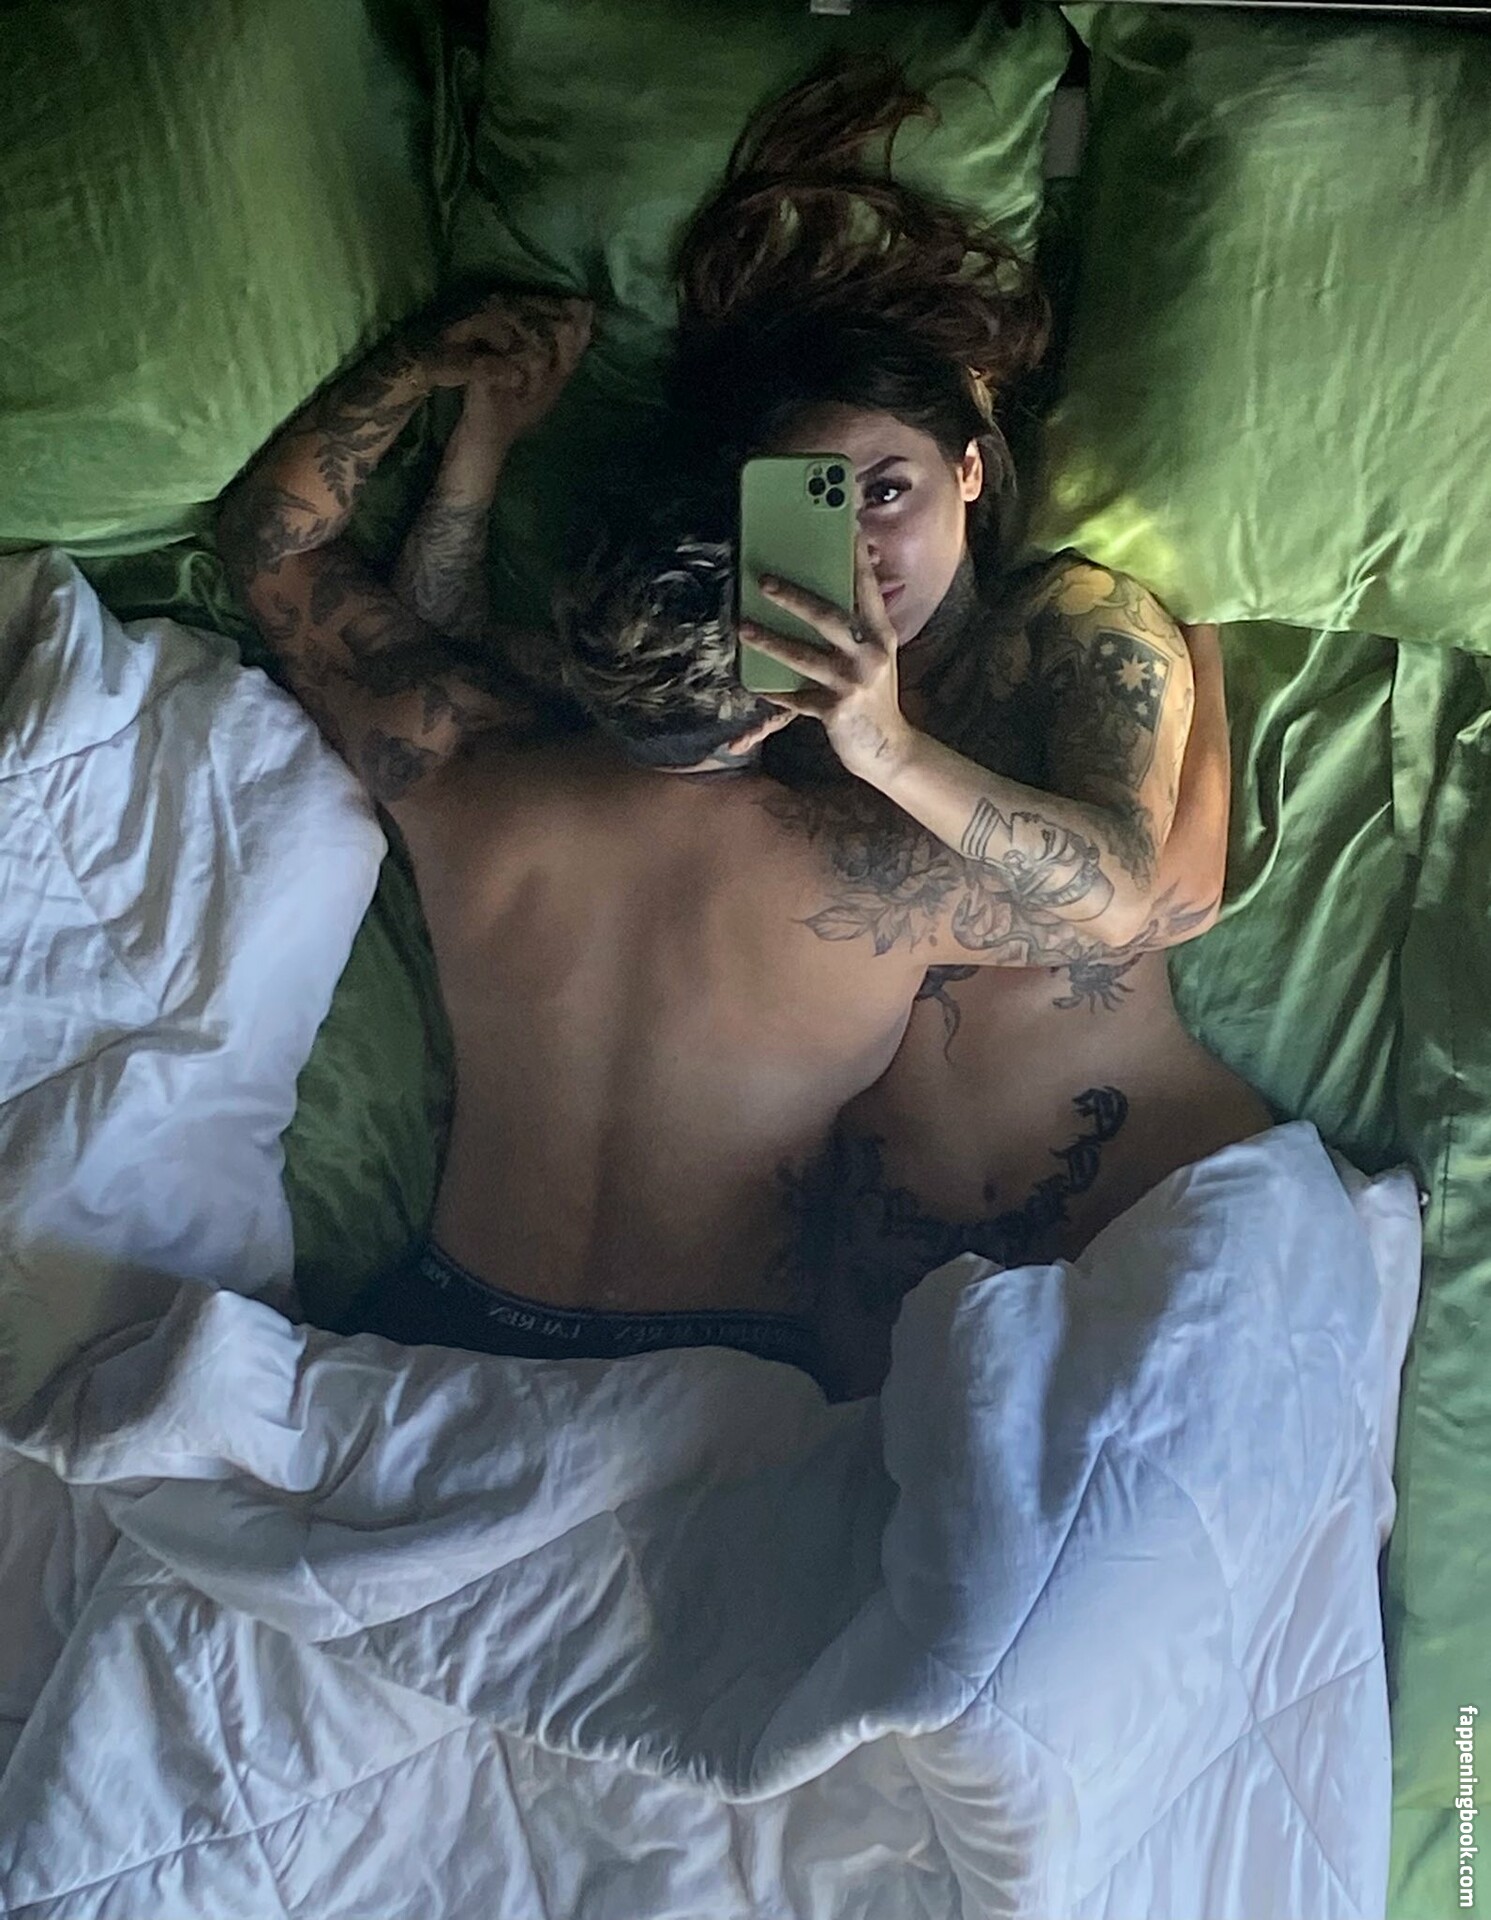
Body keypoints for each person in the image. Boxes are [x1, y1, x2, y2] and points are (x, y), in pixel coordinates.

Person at [216, 286, 1199, 1395]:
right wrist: (885, 750)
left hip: (445, 1331)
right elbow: (1116, 903)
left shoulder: (452, 762)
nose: (857, 552)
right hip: (720, 1380)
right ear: (775, 690)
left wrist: (429, 377)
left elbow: (273, 545)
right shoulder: (872, 876)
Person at [662, 60, 1273, 1393]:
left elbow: (1122, 887)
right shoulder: (741, 690)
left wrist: (883, 745)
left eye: (888, 487)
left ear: (970, 471)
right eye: (818, 502)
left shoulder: (1071, 623)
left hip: (1161, 1226)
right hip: (906, 1333)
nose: (862, 542)